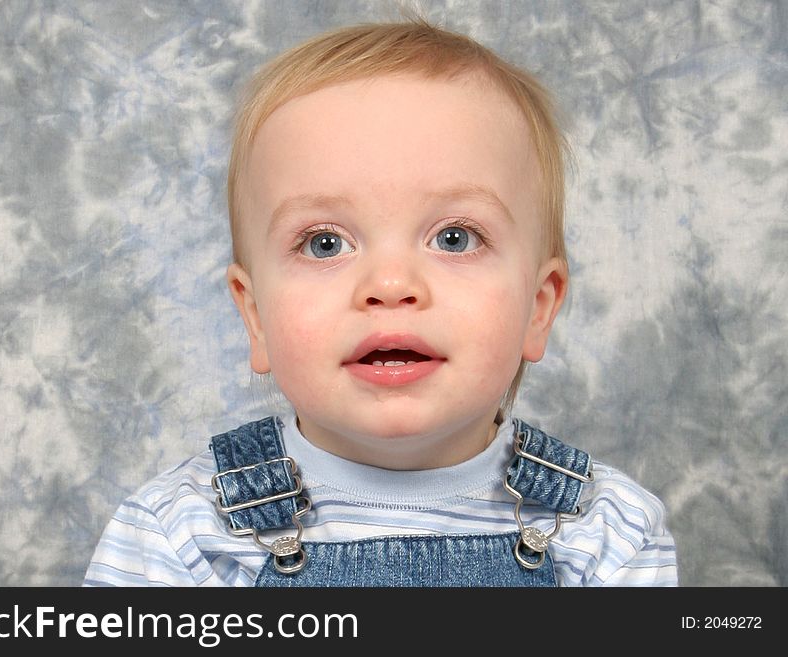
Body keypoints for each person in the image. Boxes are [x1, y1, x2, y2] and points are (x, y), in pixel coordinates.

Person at [84, 18, 678, 587]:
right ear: (256, 316)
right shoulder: (182, 537)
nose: (391, 284)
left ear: (538, 308)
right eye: (324, 243)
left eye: (454, 238)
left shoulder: (606, 534)